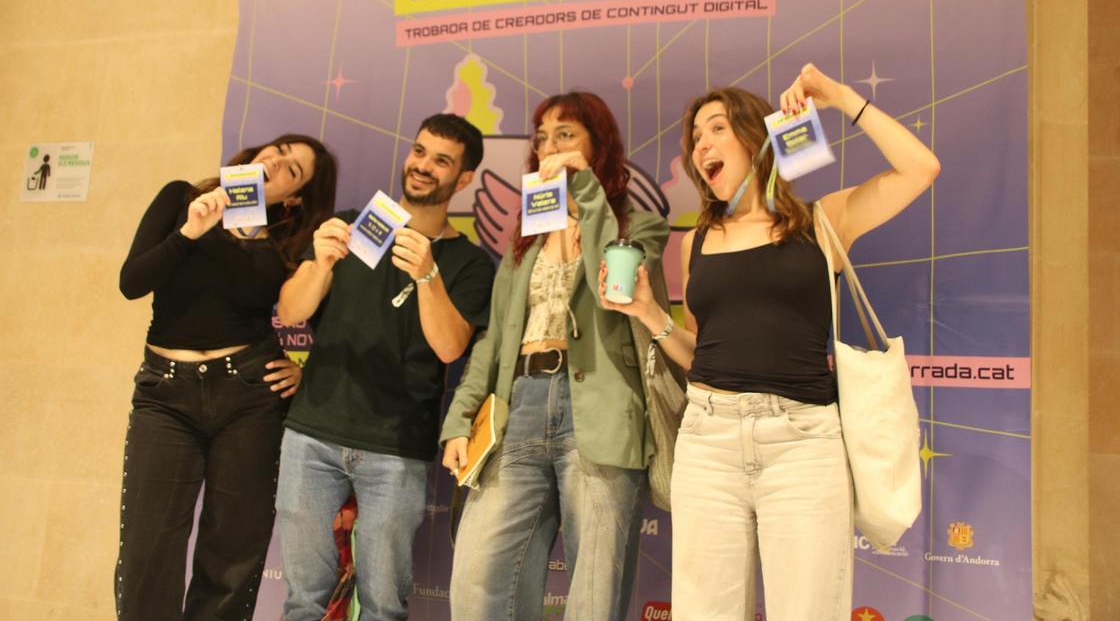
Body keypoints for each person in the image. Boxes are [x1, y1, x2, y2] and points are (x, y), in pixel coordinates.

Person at [601, 63, 941, 620]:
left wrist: (838, 97)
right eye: (694, 138)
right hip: (708, 441)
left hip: (802, 446)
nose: (700, 145)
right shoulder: (697, 243)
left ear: (757, 138)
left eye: (715, 128)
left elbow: (920, 168)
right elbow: (701, 353)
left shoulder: (822, 222)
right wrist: (649, 314)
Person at [441, 92, 670, 621]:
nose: (549, 146)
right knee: (478, 585)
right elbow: (492, 341)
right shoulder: (525, 242)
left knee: (592, 596)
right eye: (542, 137)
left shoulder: (641, 228)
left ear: (599, 146)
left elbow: (613, 284)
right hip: (517, 408)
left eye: (565, 134)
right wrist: (460, 419)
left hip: (600, 412)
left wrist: (585, 189)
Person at [275, 113, 495, 621]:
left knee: (382, 605)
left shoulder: (470, 264)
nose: (423, 166)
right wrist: (323, 264)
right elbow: (291, 311)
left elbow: (449, 348)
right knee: (303, 601)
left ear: (462, 180)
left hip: (395, 450)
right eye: (419, 151)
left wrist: (427, 274)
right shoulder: (355, 226)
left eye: (441, 160)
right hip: (312, 435)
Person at [116, 133, 338, 621]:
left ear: (294, 197)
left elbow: (324, 319)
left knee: (233, 552)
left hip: (248, 397)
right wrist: (190, 232)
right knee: (149, 545)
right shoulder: (182, 198)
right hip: (165, 392)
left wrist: (307, 375)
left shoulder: (285, 243)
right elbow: (132, 282)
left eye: (292, 171)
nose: (275, 165)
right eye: (276, 152)